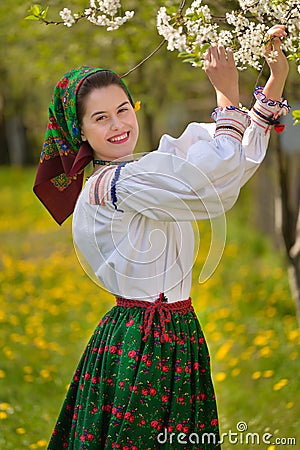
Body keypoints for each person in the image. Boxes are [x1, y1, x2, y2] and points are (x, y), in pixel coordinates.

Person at [34, 25, 289, 449]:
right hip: (143, 342)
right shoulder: (114, 186)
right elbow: (208, 184)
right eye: (100, 118)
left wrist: (271, 85)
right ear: (79, 131)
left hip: (176, 333)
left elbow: (224, 171)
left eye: (123, 109)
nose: (118, 124)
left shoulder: (143, 168)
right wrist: (227, 98)